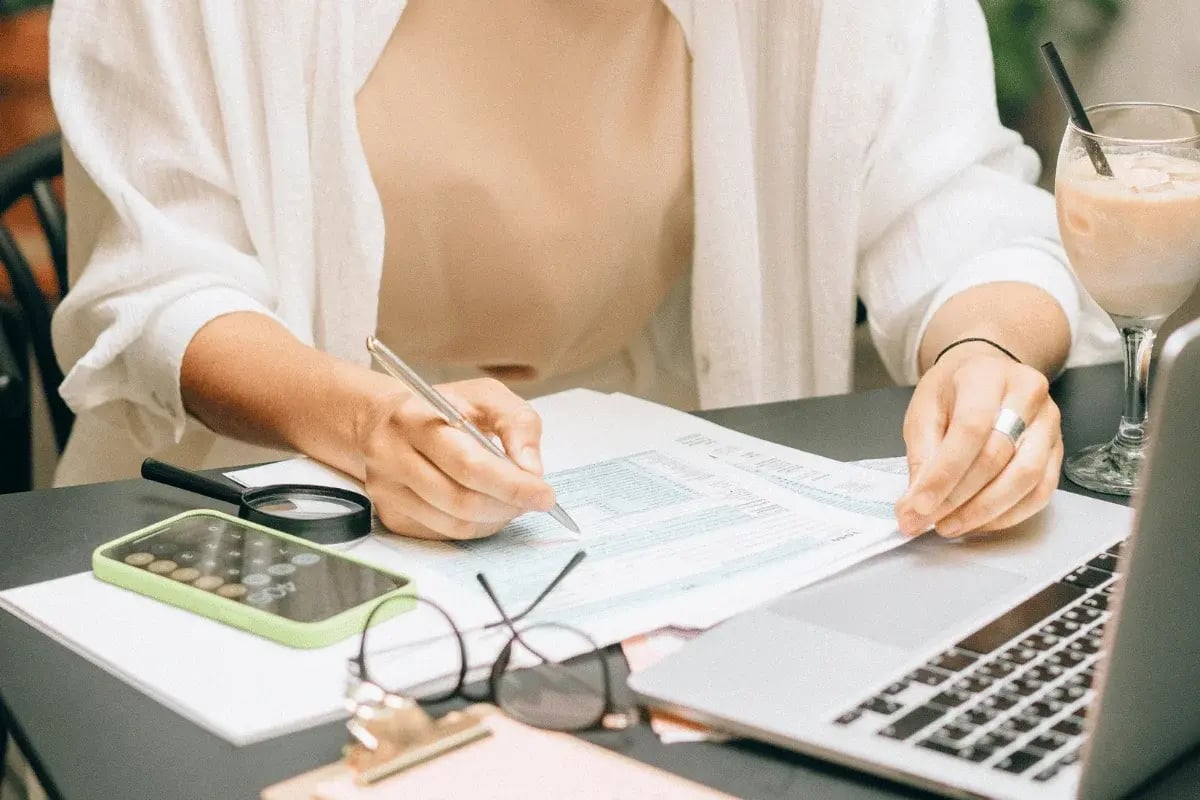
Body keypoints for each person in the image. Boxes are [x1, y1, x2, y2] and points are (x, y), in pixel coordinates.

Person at [47, 0, 1114, 542]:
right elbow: (158, 289)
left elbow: (957, 207)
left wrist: (984, 352)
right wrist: (369, 425)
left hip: (631, 511)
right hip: (275, 497)